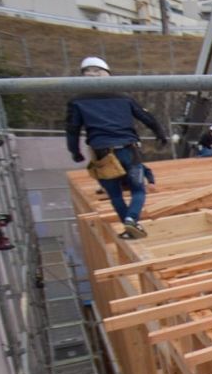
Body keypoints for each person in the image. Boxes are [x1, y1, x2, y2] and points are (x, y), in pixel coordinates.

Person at [65, 56, 166, 239]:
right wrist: (159, 132)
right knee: (137, 190)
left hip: (102, 154)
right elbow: (146, 117)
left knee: (115, 195)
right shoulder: (123, 97)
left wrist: (75, 152)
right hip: (128, 150)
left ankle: (129, 226)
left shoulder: (78, 101)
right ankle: (131, 219)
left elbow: (72, 129)